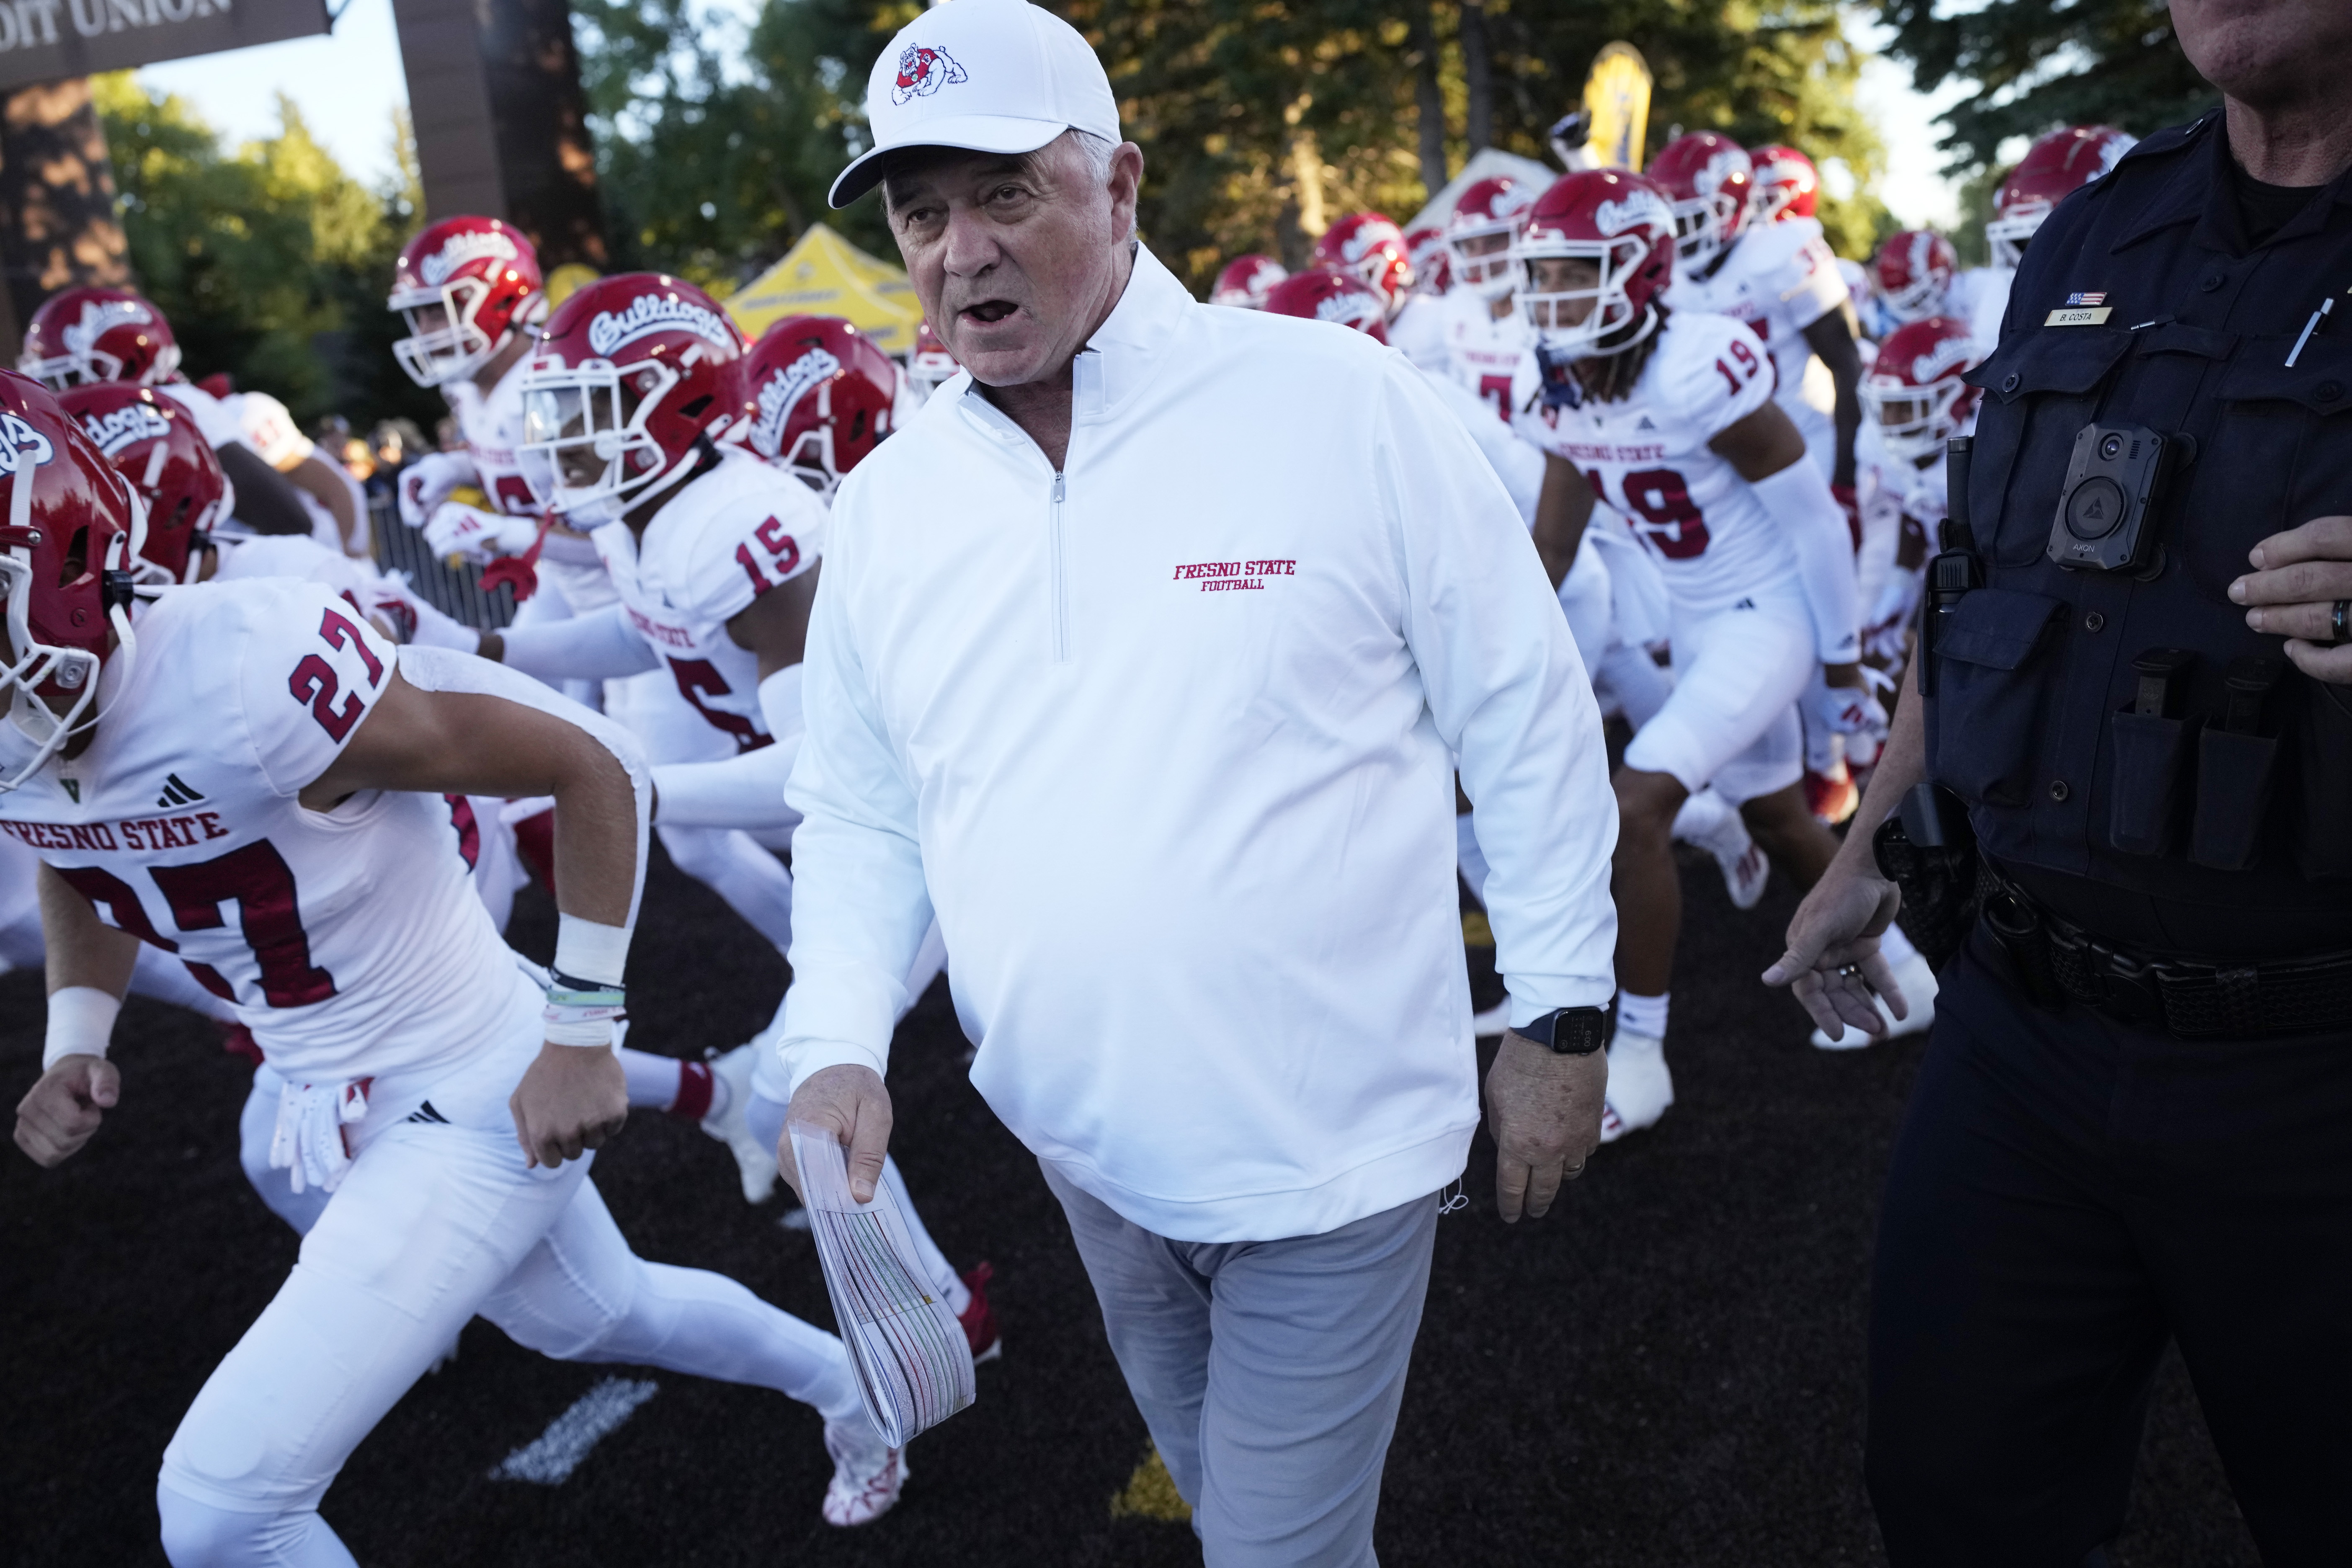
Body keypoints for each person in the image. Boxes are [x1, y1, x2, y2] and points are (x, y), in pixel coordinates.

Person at [783, 1, 1620, 1559]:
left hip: (1329, 1153)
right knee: (1248, 1522)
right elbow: (860, 802)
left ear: (1123, 187)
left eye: (1005, 193)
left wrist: (1565, 1010)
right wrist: (834, 1034)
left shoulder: (1335, 400)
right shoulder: (890, 504)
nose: (959, 249)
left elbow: (1521, 706)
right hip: (1081, 1150)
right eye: (920, 211)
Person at [0, 373, 910, 1551]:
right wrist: (80, 1033)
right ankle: (857, 1390)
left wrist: (582, 1031)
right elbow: (69, 843)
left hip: (469, 1084)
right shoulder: (28, 729)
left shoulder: (242, 664)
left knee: (222, 1510)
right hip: (322, 1084)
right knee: (597, 1317)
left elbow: (595, 767)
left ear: (63, 557)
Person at [1765, 0, 2352, 1557]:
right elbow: (1978, 576)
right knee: (1955, 1505)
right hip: (2023, 1040)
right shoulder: (2096, 221)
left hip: (2314, 1075)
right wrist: (1875, 836)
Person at [1509, 169, 1932, 1141]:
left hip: (1768, 613)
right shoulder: (1563, 388)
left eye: (1577, 275)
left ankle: (1644, 1057)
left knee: (1636, 806)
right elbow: (1554, 546)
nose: (1553, 300)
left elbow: (1816, 525)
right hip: (1697, 619)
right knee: (1779, 815)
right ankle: (1906, 969)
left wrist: (1836, 660)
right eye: (1544, 277)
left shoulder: (1698, 364)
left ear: (1641, 272)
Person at [15, 286, 335, 548]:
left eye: (68, 378)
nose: (61, 394)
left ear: (125, 367)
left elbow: (287, 517)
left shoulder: (177, 405)